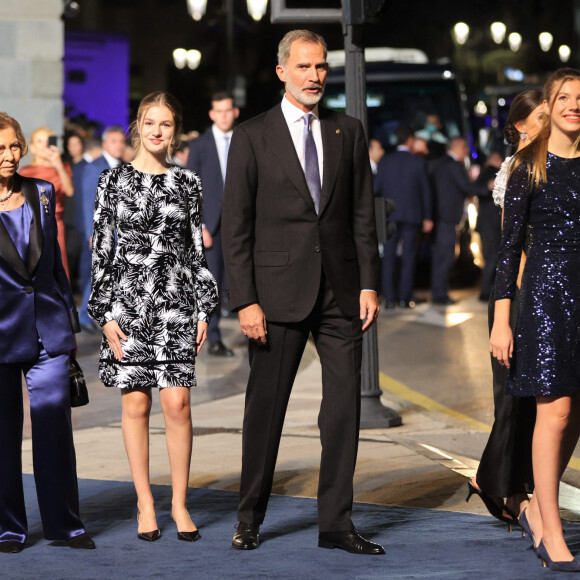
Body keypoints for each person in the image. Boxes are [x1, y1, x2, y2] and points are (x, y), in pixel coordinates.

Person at [222, 30, 383, 555]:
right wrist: (245, 299)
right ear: (282, 72)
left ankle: (335, 523)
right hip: (274, 296)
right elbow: (236, 226)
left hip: (341, 291)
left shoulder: (349, 131)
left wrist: (369, 282)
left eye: (321, 67)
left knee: (342, 412)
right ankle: (249, 517)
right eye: (305, 67)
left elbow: (363, 214)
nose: (315, 76)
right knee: (265, 412)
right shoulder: (252, 136)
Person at [88, 92, 218, 543]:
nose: (158, 131)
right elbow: (101, 253)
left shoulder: (188, 184)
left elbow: (195, 252)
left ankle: (179, 502)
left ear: (175, 131)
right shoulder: (112, 182)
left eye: (166, 124)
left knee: (177, 404)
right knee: (137, 403)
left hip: (177, 304)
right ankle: (145, 502)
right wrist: (103, 314)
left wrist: (203, 306)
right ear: (137, 127)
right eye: (150, 123)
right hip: (127, 306)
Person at [490, 68, 580, 572]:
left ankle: (542, 514)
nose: (573, 105)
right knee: (556, 412)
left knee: (575, 415)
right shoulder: (529, 166)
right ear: (549, 105)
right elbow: (507, 252)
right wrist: (502, 321)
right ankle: (550, 530)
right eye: (563, 98)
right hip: (545, 299)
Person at [0, 112, 94, 553]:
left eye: (14, 146)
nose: (9, 155)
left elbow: (55, 265)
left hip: (48, 330)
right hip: (0, 335)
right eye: (0, 148)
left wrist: (69, 324)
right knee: (2, 435)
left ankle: (65, 525)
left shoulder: (40, 191)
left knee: (54, 430)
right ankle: (9, 528)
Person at [467, 89, 544, 528]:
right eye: (542, 116)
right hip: (519, 298)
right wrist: (515, 308)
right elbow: (511, 250)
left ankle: (496, 481)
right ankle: (504, 487)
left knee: (534, 400)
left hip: (549, 293)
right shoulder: (514, 170)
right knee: (514, 400)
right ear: (520, 126)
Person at [187, 91, 240, 357]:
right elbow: (190, 190)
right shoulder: (200, 145)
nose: (223, 116)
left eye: (227, 110)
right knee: (212, 283)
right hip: (212, 225)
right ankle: (214, 337)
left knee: (242, 277)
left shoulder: (244, 139)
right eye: (218, 111)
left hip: (242, 222)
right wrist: (201, 227)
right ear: (211, 114)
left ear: (235, 112)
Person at [374, 126, 432, 308]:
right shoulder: (417, 162)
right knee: (408, 257)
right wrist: (428, 217)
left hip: (389, 215)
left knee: (388, 257)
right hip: (412, 216)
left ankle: (389, 299)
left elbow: (376, 189)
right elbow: (426, 192)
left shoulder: (385, 161)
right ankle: (405, 298)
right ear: (409, 141)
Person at [430, 137, 490, 305]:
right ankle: (440, 294)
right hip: (448, 217)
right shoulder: (454, 165)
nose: (466, 150)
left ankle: (439, 292)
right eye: (464, 146)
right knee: (446, 257)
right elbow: (466, 186)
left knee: (441, 257)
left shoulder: (441, 164)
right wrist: (487, 188)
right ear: (456, 147)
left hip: (441, 216)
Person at [78, 126, 126, 333]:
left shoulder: (126, 166)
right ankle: (84, 316)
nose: (118, 145)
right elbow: (89, 202)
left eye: (121, 141)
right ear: (105, 144)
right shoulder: (94, 167)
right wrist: (92, 232)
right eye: (114, 141)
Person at [19, 127, 74, 279]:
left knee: (57, 269)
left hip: (56, 225)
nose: (43, 146)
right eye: (39, 141)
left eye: (47, 141)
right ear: (33, 147)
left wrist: (57, 164)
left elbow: (69, 191)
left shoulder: (63, 168)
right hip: (31, 227)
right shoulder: (25, 172)